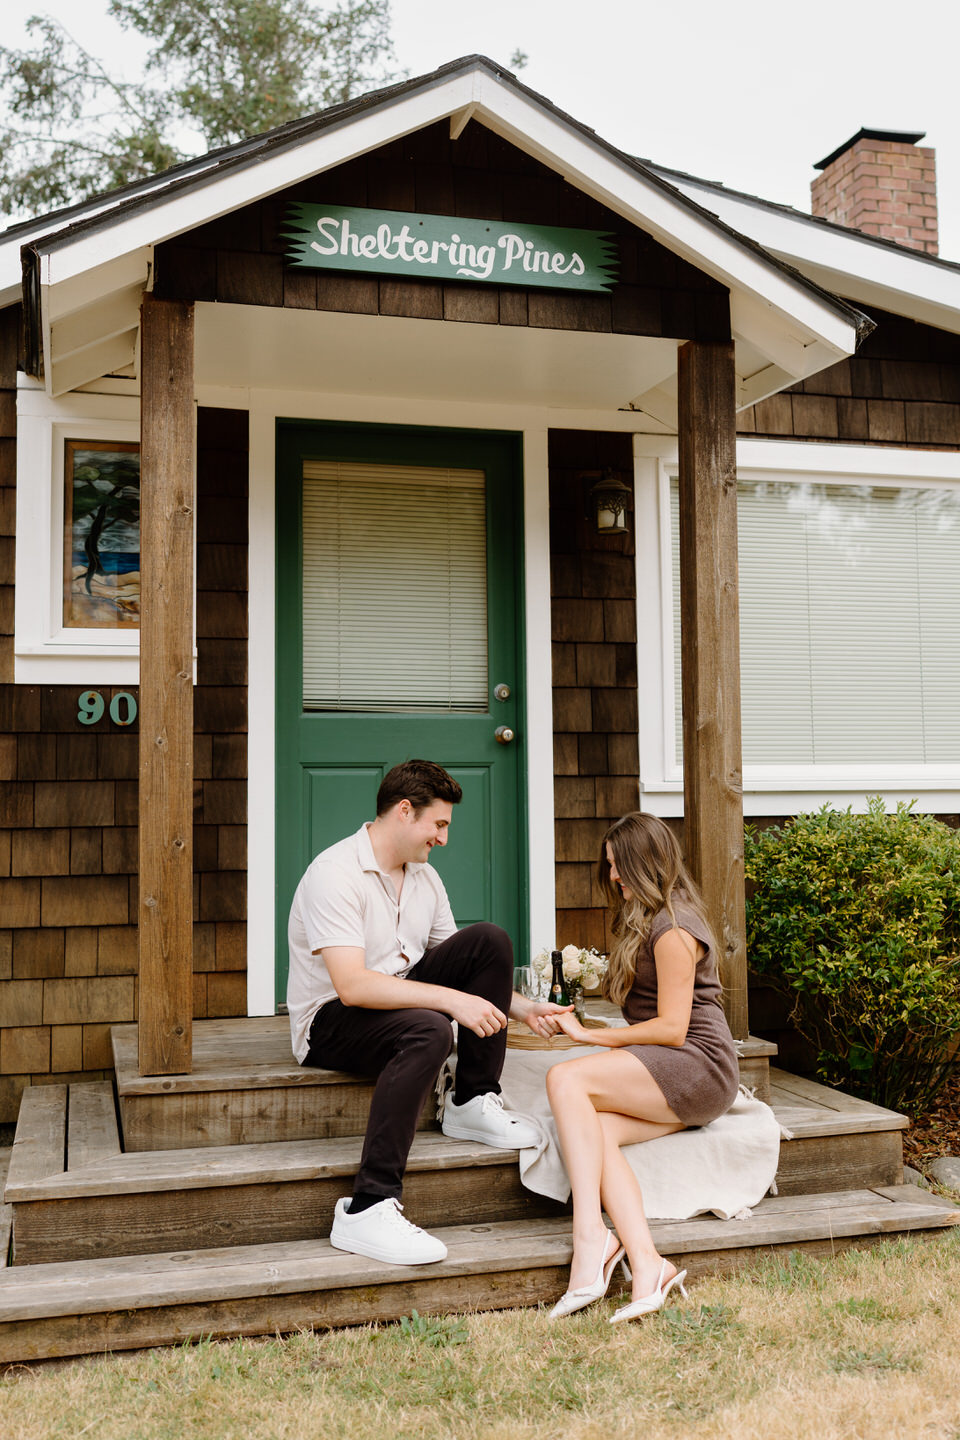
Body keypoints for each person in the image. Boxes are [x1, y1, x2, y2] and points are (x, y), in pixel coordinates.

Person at [287, 759, 567, 1267]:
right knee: (431, 1029)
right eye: (438, 824)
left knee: (488, 940)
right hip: (331, 1021)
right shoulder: (335, 874)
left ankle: (472, 1099)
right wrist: (449, 1002)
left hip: (401, 1002)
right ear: (403, 811)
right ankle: (368, 1206)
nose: (443, 838)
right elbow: (351, 986)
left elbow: (461, 969)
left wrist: (523, 1009)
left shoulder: (423, 879)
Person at [543, 811, 740, 1323]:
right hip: (674, 1065)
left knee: (566, 1077)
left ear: (645, 864)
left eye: (618, 866)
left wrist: (595, 1037)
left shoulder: (675, 928)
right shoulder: (646, 918)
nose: (612, 877)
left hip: (698, 1064)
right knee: (595, 1131)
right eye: (609, 866)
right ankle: (648, 1264)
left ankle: (590, 1239)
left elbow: (674, 1028)